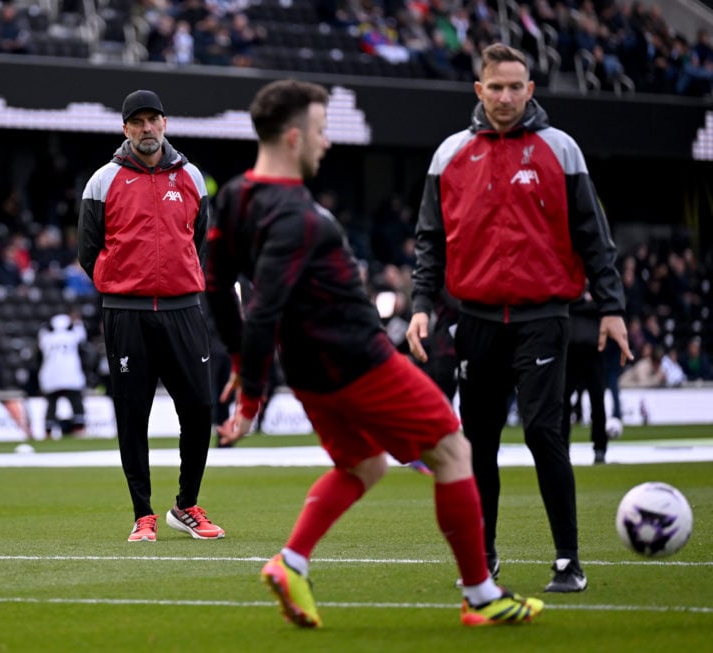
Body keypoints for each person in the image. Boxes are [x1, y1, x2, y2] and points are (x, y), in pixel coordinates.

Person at [208, 79, 542, 629]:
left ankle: (291, 562)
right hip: (359, 362)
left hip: (311, 372)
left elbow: (217, 287)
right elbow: (261, 309)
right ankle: (482, 595)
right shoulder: (299, 217)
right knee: (453, 451)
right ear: (294, 138)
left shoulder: (234, 196)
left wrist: (245, 366)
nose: (327, 143)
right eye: (320, 131)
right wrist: (250, 398)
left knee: (363, 464)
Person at [405, 43, 632, 594]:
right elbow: (430, 242)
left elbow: (594, 238)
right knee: (475, 443)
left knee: (543, 433)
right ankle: (483, 560)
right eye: (495, 87)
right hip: (475, 318)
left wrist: (612, 309)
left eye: (515, 87)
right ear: (478, 91)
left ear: (530, 90)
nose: (505, 97)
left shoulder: (561, 149)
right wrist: (419, 305)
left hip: (544, 317)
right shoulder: (450, 155)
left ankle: (567, 561)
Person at [78, 89, 223, 542]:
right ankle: (143, 514)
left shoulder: (192, 177)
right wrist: (122, 282)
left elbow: (199, 240)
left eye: (153, 120)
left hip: (183, 310)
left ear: (165, 123)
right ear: (125, 129)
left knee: (199, 408)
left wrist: (180, 279)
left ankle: (186, 505)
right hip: (126, 314)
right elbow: (88, 252)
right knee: (132, 414)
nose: (146, 128)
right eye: (137, 121)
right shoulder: (103, 180)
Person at [562, 293, 608, 465]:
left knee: (597, 400)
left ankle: (600, 448)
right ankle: (563, 448)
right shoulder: (581, 289)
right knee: (564, 402)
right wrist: (584, 302)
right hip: (572, 351)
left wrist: (579, 303)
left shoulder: (597, 286)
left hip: (591, 351)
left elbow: (604, 305)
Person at [38, 312, 88, 439]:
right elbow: (82, 334)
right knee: (76, 403)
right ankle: (79, 429)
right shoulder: (72, 335)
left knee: (51, 405)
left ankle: (48, 432)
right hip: (70, 375)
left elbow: (40, 341)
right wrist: (77, 322)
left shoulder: (47, 337)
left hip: (51, 376)